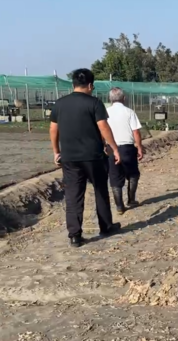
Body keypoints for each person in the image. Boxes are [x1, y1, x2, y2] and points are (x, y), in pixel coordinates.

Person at [49, 68, 121, 247]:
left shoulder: (60, 104)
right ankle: (106, 227)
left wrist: (56, 151)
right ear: (90, 85)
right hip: (93, 156)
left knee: (73, 195)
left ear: (73, 84)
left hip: (70, 158)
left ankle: (74, 235)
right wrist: (114, 148)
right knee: (100, 190)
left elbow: (53, 129)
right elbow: (103, 126)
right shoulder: (94, 103)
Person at [106, 87, 144, 214]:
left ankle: (119, 206)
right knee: (133, 174)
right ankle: (131, 199)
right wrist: (139, 147)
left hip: (111, 148)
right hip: (127, 147)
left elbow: (101, 131)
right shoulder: (129, 112)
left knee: (115, 177)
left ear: (110, 99)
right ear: (124, 98)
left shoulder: (105, 112)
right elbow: (136, 132)